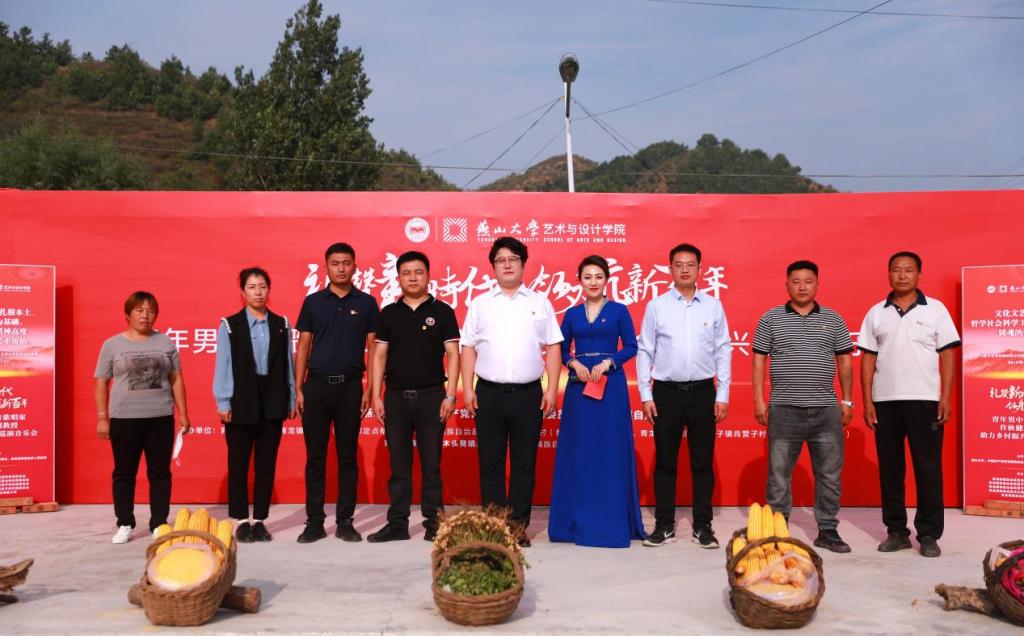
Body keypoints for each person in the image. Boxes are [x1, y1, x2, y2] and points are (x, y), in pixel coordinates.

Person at [461, 236, 563, 547]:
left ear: (523, 264)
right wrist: (467, 388)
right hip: (488, 394)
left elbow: (554, 346)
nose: (507, 265)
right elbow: (468, 347)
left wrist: (551, 389)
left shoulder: (539, 303)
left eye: (513, 259)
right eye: (501, 260)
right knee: (490, 463)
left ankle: (518, 528)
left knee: (523, 464)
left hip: (528, 395)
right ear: (493, 266)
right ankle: (495, 527)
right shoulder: (480, 303)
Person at [858, 251, 960, 558]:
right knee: (891, 469)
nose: (902, 275)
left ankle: (928, 534)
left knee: (928, 467)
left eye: (908, 270)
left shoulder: (936, 310)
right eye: (896, 270)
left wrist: (945, 397)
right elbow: (867, 359)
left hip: (925, 400)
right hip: (885, 401)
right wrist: (867, 400)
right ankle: (896, 531)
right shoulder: (876, 313)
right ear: (888, 274)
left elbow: (948, 355)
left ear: (919, 275)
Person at [752, 260, 855, 554]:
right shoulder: (770, 318)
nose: (802, 287)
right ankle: (777, 529)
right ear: (787, 285)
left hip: (826, 410)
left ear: (817, 284)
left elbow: (844, 361)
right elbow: (759, 360)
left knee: (829, 474)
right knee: (779, 474)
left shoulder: (833, 319)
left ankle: (828, 529)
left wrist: (847, 400)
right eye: (796, 281)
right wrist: (759, 400)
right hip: (784, 409)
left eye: (808, 281)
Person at [637, 243, 731, 549]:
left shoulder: (713, 306)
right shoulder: (657, 306)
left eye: (691, 264)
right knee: (665, 462)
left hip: (703, 392)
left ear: (700, 269)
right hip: (666, 393)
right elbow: (645, 350)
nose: (685, 270)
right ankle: (664, 524)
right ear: (670, 269)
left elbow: (723, 349)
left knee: (702, 463)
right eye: (679, 265)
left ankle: (703, 526)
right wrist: (646, 394)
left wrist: (723, 393)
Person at [548, 255, 646, 548]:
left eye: (598, 277)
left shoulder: (619, 311)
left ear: (607, 280)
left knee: (609, 449)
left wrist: (608, 362)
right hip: (579, 387)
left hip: (610, 385)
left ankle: (610, 519)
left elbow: (631, 346)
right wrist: (573, 363)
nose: (593, 282)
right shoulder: (572, 314)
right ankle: (572, 521)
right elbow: (561, 348)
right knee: (580, 449)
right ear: (579, 280)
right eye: (587, 277)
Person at [367, 251, 460, 543]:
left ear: (428, 275)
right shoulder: (388, 314)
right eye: (406, 273)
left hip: (433, 398)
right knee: (399, 466)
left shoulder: (442, 311)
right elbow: (379, 356)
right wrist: (376, 395)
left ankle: (435, 525)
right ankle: (397, 524)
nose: (413, 278)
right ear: (398, 278)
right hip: (395, 398)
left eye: (418, 272)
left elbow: (453, 355)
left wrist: (450, 396)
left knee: (431, 465)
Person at [294, 243, 379, 543]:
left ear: (355, 266)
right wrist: (298, 388)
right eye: (335, 263)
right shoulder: (313, 302)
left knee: (347, 458)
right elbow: (303, 346)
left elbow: (374, 349)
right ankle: (314, 522)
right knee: (315, 458)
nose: (341, 268)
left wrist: (370, 388)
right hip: (316, 387)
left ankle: (345, 521)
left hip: (350, 388)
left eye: (346, 263)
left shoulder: (367, 303)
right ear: (326, 267)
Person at [94, 291, 191, 544]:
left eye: (150, 311)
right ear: (127, 315)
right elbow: (101, 382)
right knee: (124, 473)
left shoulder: (166, 342)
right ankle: (125, 523)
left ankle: (159, 523)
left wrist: (183, 413)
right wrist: (103, 417)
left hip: (160, 416)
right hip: (124, 418)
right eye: (139, 310)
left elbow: (176, 379)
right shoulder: (112, 345)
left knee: (160, 473)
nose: (145, 315)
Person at [213, 267, 296, 543]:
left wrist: (291, 397)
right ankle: (240, 521)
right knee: (238, 465)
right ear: (242, 292)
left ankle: (259, 520)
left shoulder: (281, 324)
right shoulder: (229, 325)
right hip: (241, 399)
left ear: (268, 290)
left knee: (266, 465)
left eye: (262, 286)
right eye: (252, 287)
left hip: (272, 398)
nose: (258, 292)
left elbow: (287, 363)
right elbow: (224, 365)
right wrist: (223, 401)